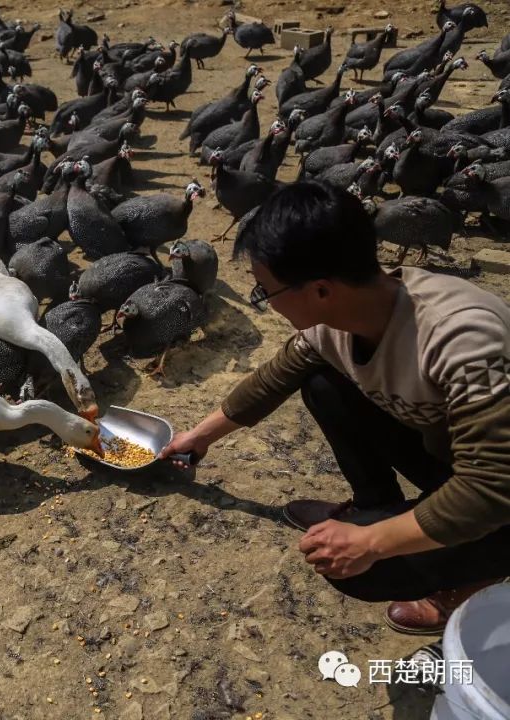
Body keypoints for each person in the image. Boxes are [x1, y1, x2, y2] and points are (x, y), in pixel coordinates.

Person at [160, 182, 510, 634]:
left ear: (321, 290)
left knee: (367, 569)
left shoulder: (460, 338)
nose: (264, 302)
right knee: (322, 381)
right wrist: (197, 437)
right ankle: (377, 506)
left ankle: (474, 578)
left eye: (265, 290)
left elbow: (492, 488)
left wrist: (371, 542)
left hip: (499, 496)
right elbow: (274, 377)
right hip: (454, 457)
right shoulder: (347, 314)